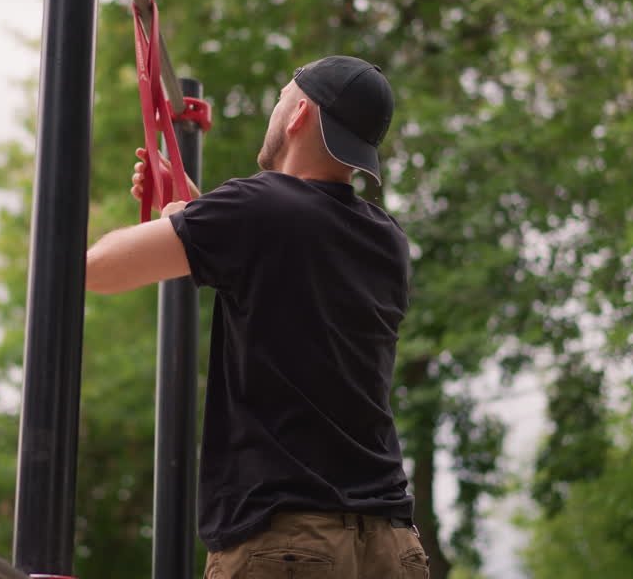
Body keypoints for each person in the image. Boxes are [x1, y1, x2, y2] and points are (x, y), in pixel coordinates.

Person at [85, 56, 428, 579]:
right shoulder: (387, 240)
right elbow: (282, 272)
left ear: (298, 114)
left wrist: (185, 221)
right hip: (389, 547)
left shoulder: (257, 209)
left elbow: (95, 271)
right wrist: (195, 219)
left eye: (278, 100)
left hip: (291, 543)